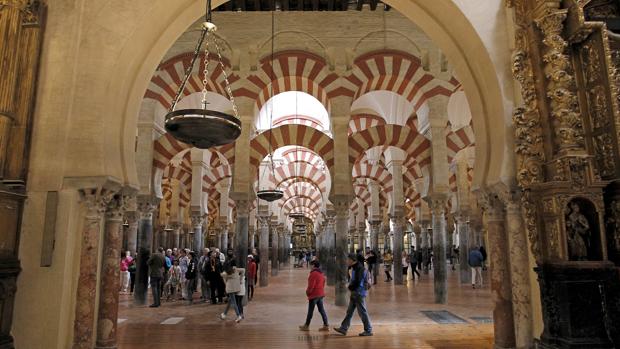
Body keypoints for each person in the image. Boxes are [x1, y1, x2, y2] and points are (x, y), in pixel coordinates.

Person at [333, 253, 373, 336]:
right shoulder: (354, 267)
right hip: (355, 292)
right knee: (349, 311)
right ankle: (344, 328)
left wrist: (349, 287)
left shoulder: (359, 268)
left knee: (362, 312)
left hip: (359, 293)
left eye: (348, 259)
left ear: (352, 260)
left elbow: (358, 282)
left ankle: (368, 330)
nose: (347, 261)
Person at [299, 260, 329, 331]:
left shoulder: (313, 274)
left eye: (310, 265)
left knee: (310, 311)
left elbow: (311, 286)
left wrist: (308, 292)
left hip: (314, 295)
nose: (310, 266)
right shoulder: (321, 273)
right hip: (320, 294)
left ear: (313, 265)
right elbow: (323, 283)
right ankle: (326, 325)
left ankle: (306, 326)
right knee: (321, 310)